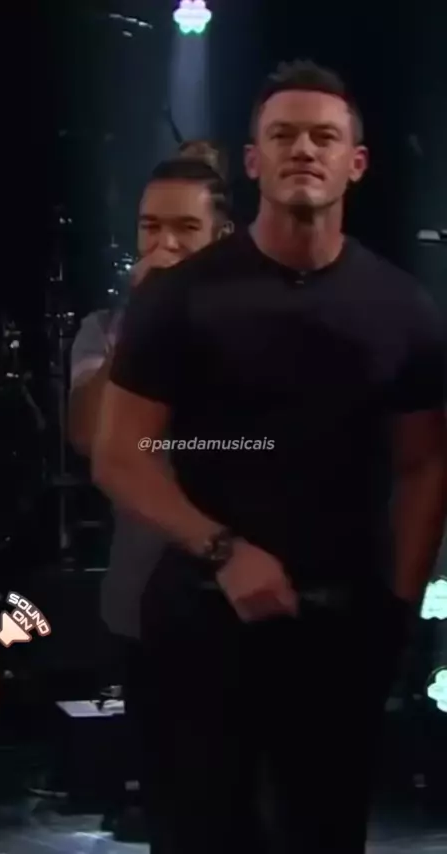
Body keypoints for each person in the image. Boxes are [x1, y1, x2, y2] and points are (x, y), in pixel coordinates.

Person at [93, 60, 447, 854]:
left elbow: (427, 465)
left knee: (323, 833)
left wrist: (396, 604)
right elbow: (119, 454)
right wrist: (223, 550)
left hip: (339, 628)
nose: (303, 150)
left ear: (357, 162)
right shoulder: (181, 297)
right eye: (283, 135)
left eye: (324, 136)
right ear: (253, 161)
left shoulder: (403, 308)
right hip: (198, 622)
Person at [68, 154, 232, 839]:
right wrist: (142, 324)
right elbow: (87, 433)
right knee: (175, 809)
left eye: (185, 228)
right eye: (149, 227)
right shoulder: (106, 330)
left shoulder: (258, 324)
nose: (164, 243)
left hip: (247, 598)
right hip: (144, 598)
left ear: (221, 237)